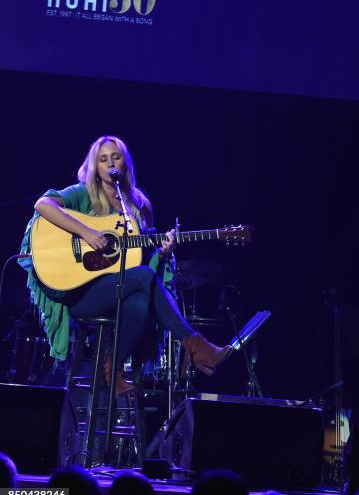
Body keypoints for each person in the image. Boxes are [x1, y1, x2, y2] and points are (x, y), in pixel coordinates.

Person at [19, 135, 232, 395]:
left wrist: (163, 253)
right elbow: (43, 204)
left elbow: (147, 262)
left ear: (125, 163)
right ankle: (197, 346)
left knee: (142, 301)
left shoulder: (140, 205)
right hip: (80, 293)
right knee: (142, 280)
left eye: (116, 157)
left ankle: (111, 370)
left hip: (121, 289)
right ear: (95, 166)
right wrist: (87, 232)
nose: (110, 163)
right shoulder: (83, 193)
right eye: (103, 159)